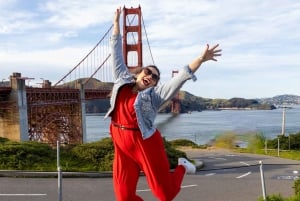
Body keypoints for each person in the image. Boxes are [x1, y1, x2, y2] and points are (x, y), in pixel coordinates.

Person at [104, 7, 222, 201]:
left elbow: (182, 77)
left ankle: (183, 166)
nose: (150, 76)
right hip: (120, 142)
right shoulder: (122, 79)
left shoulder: (155, 96)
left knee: (165, 195)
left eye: (155, 77)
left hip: (145, 143)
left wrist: (201, 58)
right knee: (124, 197)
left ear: (156, 83)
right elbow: (115, 50)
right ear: (139, 73)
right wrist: (117, 24)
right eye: (147, 72)